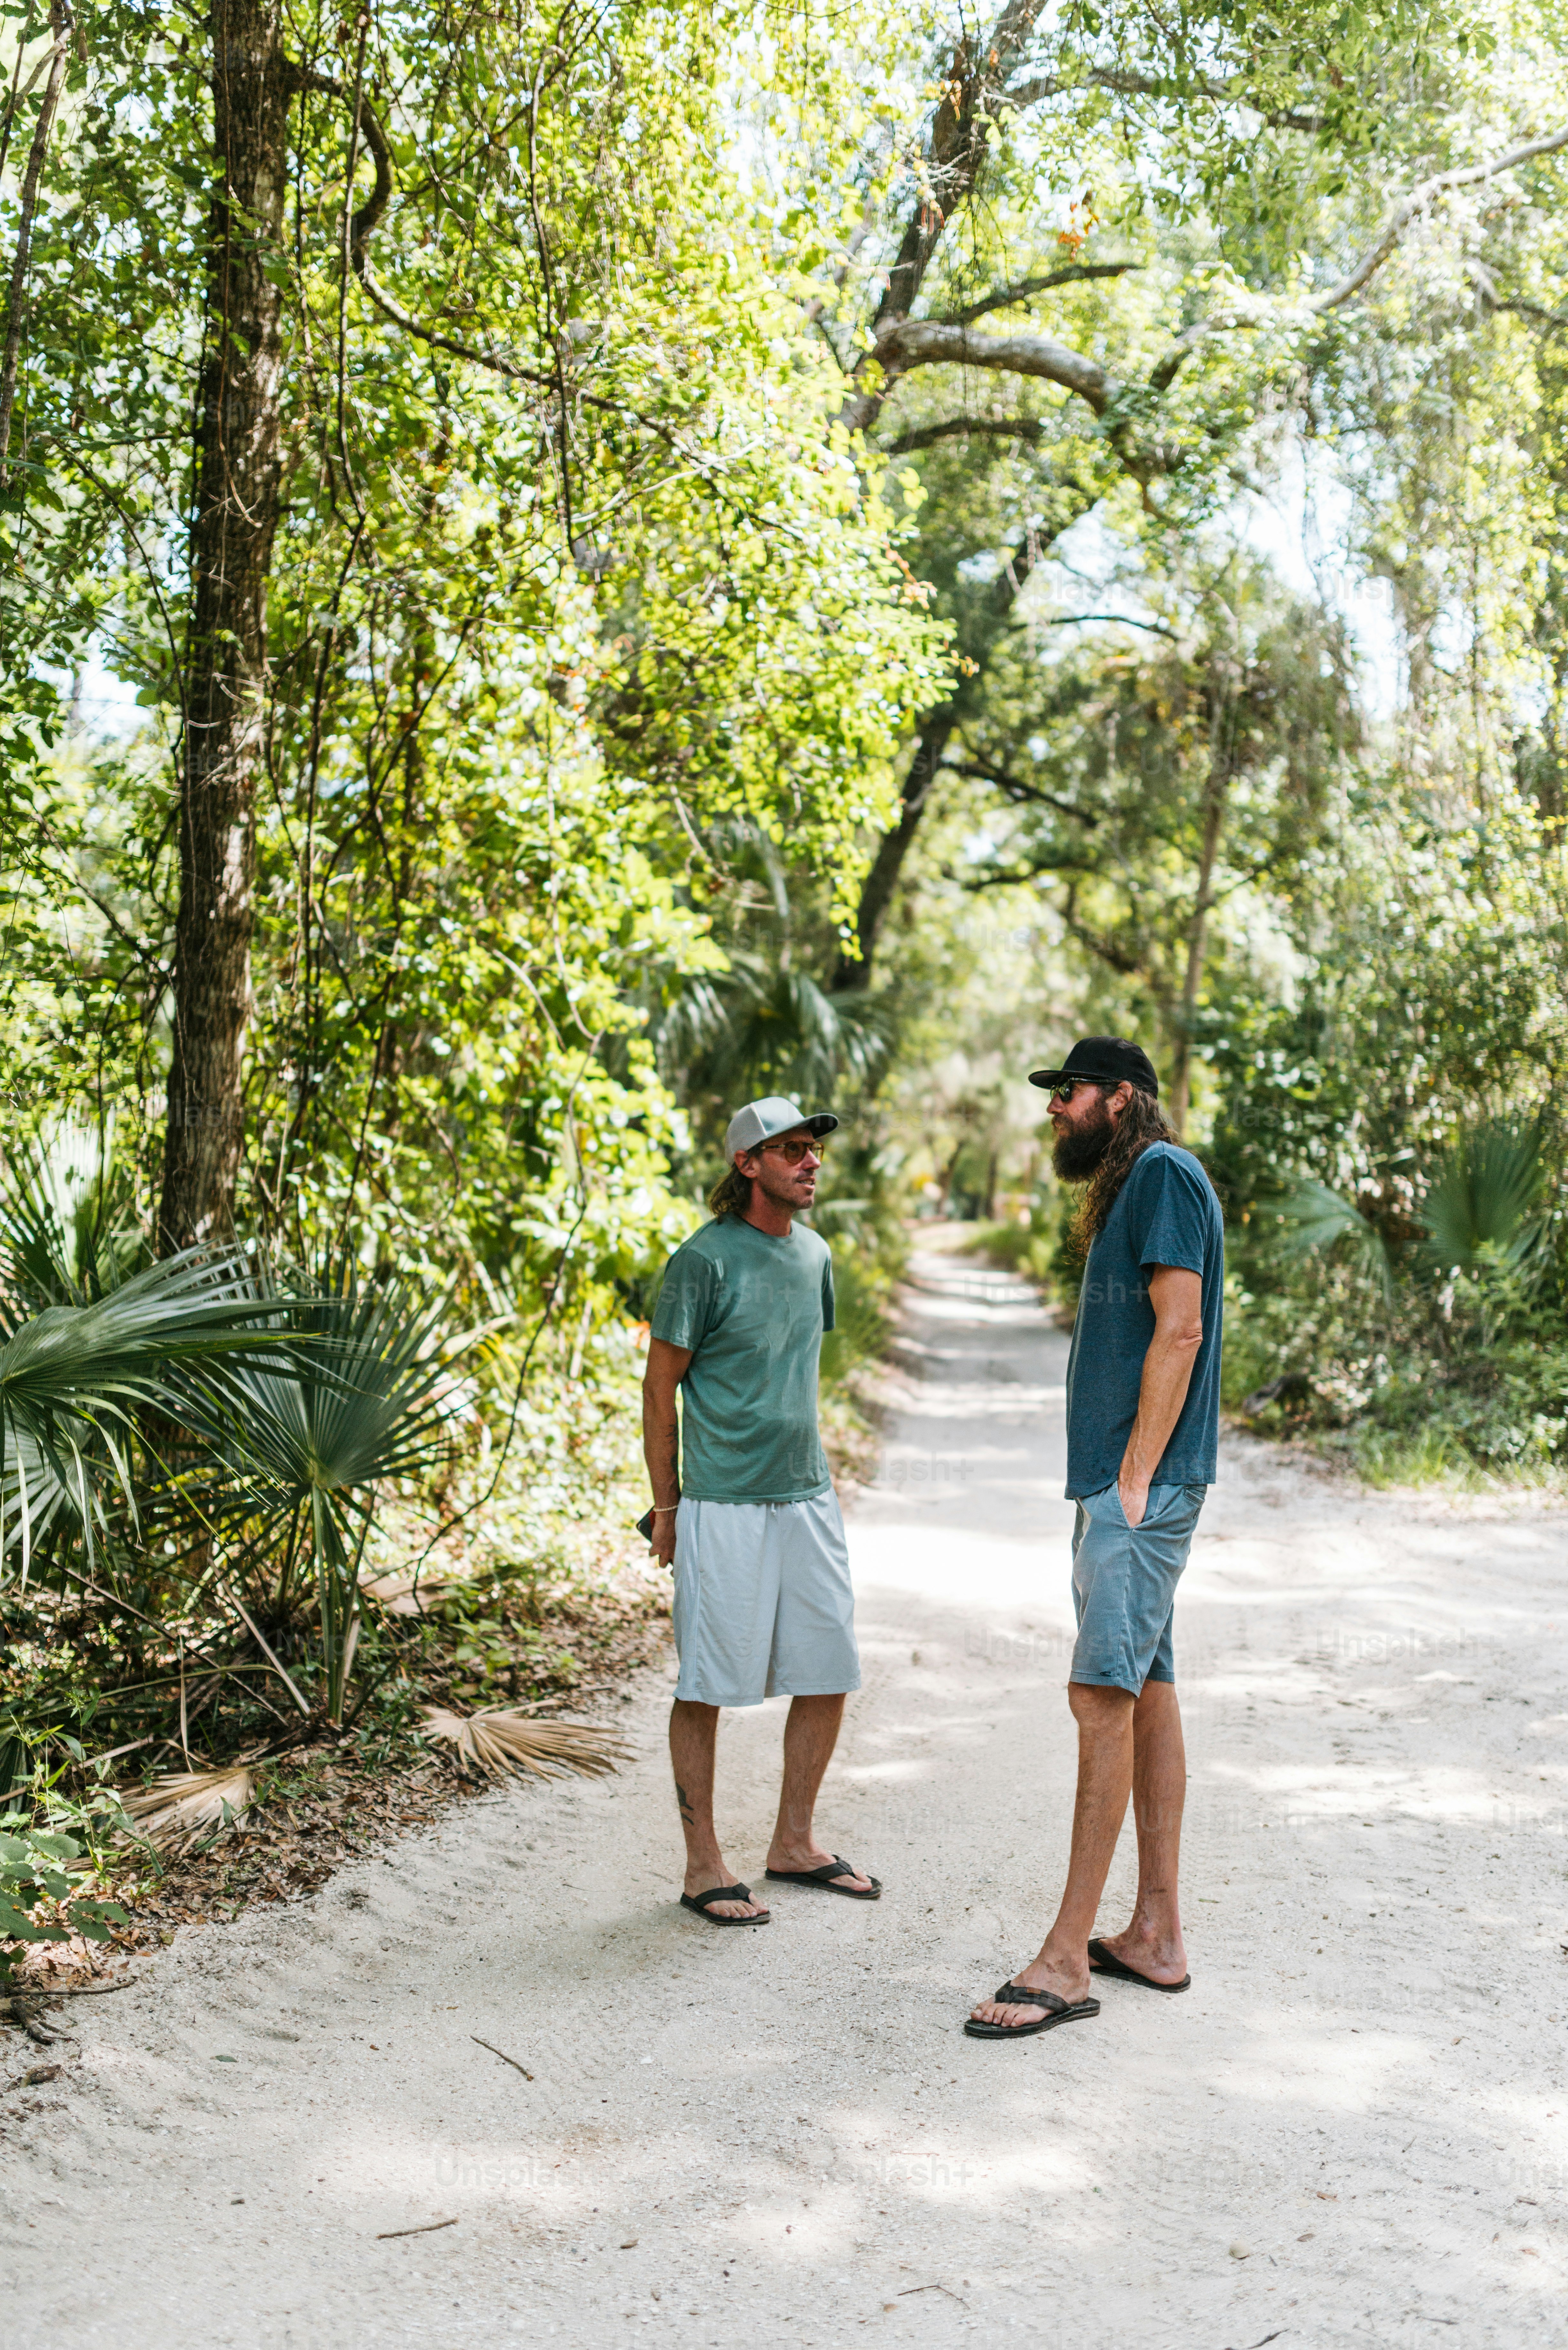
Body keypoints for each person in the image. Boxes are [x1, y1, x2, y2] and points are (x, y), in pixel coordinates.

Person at [966, 1037, 1223, 2038]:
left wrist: (1130, 1482)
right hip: (1135, 1490)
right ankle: (1156, 1933)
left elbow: (1183, 1328)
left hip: (1141, 1494)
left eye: (1068, 1093)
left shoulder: (1160, 1172)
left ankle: (1065, 1959)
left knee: (1101, 1696)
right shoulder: (1145, 1180)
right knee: (1148, 1691)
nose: (1055, 1110)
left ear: (1122, 1098)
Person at [643, 1094, 879, 1926]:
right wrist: (665, 1507)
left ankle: (794, 1842)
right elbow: (659, 1390)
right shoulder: (701, 1262)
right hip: (722, 1502)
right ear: (749, 1165)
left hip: (807, 1495)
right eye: (790, 1151)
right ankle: (702, 1865)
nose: (811, 1161)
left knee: (830, 1669)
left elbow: (797, 1370)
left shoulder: (814, 1257)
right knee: (709, 1679)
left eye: (814, 1149)